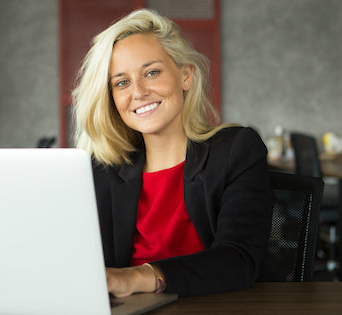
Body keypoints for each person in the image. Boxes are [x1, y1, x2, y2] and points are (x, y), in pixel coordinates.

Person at [72, 9, 274, 297]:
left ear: (185, 76)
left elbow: (238, 260)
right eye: (122, 82)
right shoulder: (102, 168)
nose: (138, 92)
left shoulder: (236, 150)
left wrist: (137, 277)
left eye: (152, 72)